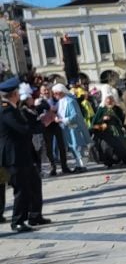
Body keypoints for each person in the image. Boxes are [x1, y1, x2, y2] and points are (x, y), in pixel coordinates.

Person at [0, 77, 48, 232]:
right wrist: (43, 123)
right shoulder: (6, 109)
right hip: (13, 156)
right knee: (21, 189)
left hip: (23, 153)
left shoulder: (12, 108)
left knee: (34, 183)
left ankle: (35, 215)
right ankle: (18, 221)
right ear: (13, 94)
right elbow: (23, 129)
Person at [52, 83, 90, 172]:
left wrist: (61, 120)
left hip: (74, 128)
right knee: (73, 147)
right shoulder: (60, 101)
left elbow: (74, 116)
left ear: (61, 92)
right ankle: (78, 165)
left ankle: (82, 166)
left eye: (55, 93)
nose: (54, 95)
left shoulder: (70, 101)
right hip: (67, 129)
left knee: (78, 147)